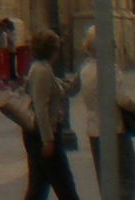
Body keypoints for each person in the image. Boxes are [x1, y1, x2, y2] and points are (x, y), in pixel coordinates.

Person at [77, 26, 135, 200]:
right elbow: (122, 99)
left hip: (94, 130)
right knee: (128, 179)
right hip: (114, 131)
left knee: (106, 181)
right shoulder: (110, 69)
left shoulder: (85, 70)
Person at [23, 27, 83, 200]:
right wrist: (47, 139)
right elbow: (41, 107)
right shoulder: (41, 71)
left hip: (39, 133)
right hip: (43, 134)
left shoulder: (41, 68)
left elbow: (62, 90)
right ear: (52, 50)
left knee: (39, 185)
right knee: (64, 184)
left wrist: (79, 79)